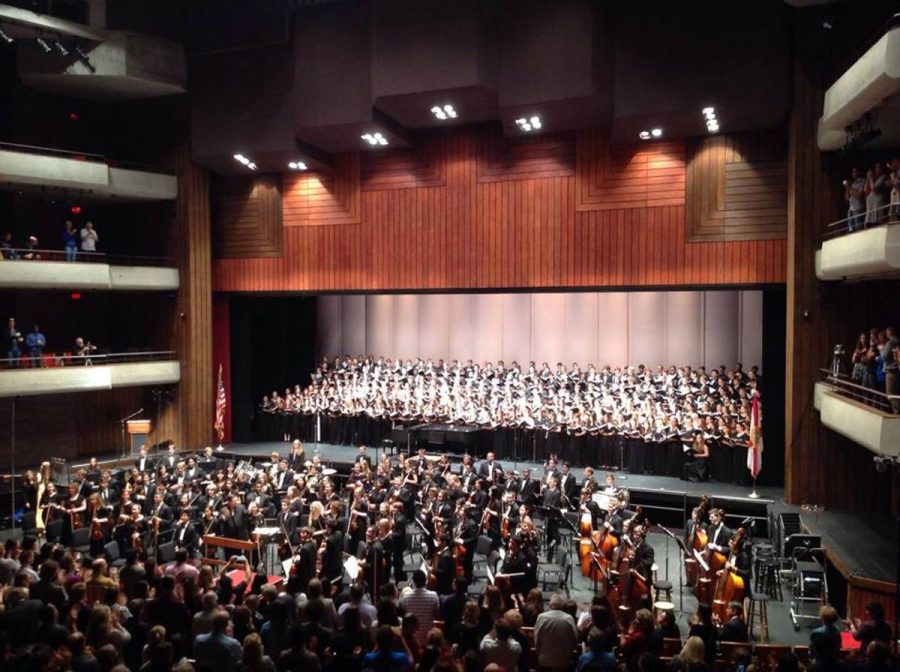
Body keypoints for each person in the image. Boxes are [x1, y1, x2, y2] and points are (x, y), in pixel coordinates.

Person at [534, 593, 579, 671]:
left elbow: (537, 639)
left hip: (544, 660)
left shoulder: (541, 617)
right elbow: (574, 640)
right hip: (563, 661)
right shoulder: (569, 619)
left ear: (550, 605)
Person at [844, 167, 866, 231]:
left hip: (858, 209)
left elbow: (858, 196)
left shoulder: (862, 181)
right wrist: (847, 188)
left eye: (855, 171)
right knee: (851, 230)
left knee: (858, 229)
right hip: (851, 209)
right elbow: (847, 198)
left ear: (859, 172)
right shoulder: (853, 183)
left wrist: (850, 187)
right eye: (852, 172)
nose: (853, 173)